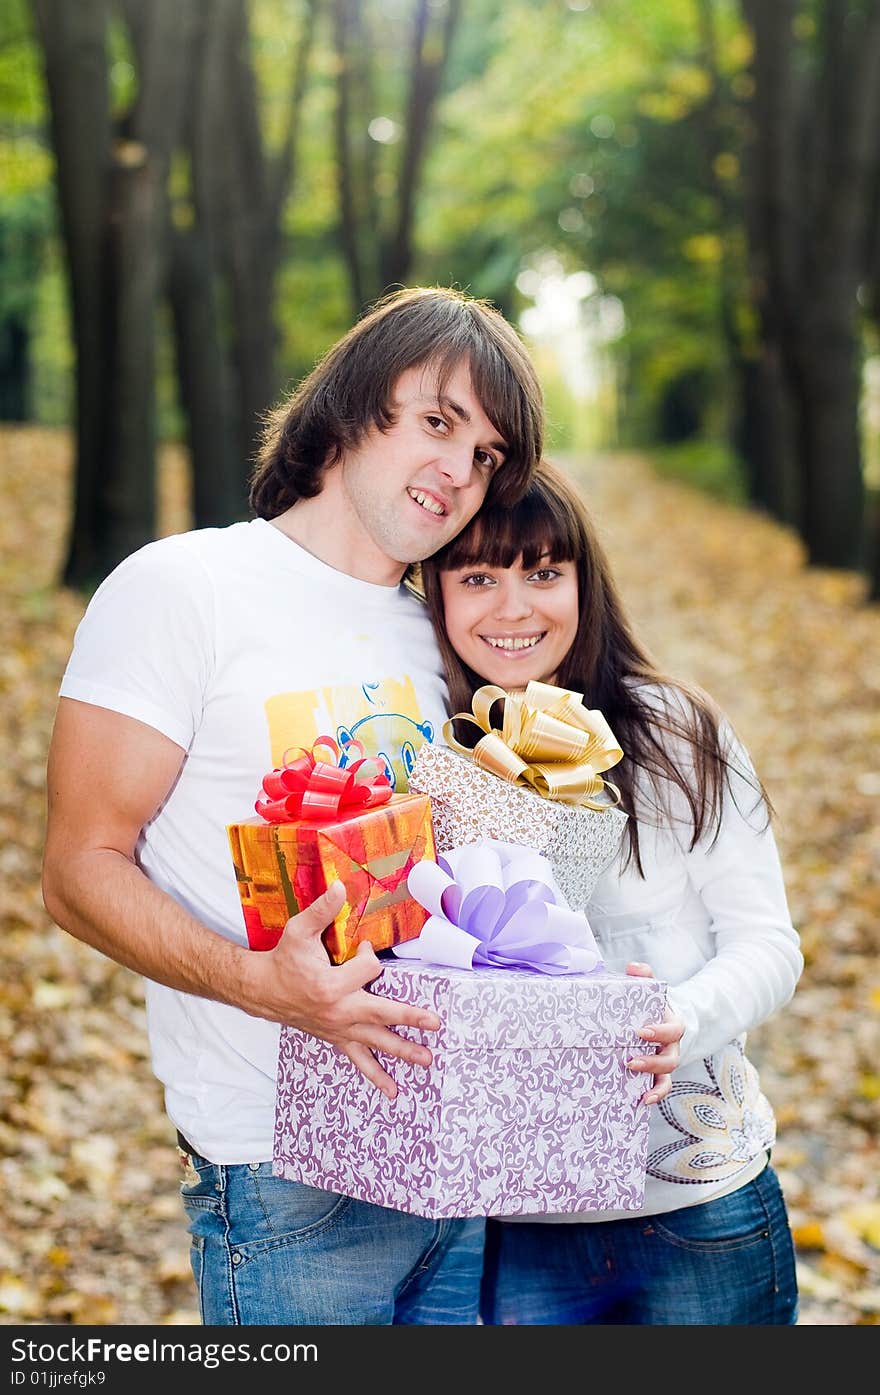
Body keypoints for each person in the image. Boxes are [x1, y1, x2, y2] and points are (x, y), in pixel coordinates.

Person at [41, 285, 551, 1326]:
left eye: (488, 455)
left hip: (450, 1154)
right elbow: (78, 868)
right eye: (438, 422)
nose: (459, 472)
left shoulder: (441, 631)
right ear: (353, 405)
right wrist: (260, 984)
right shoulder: (185, 588)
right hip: (280, 1173)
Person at [418, 458, 803, 1325]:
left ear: (585, 584)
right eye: (477, 576)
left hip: (697, 1199)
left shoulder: (675, 732)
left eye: (544, 572)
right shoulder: (423, 758)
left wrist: (682, 1015)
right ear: (433, 591)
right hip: (517, 1219)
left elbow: (770, 945)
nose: (514, 607)